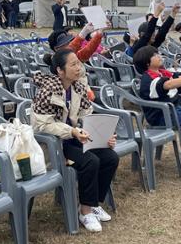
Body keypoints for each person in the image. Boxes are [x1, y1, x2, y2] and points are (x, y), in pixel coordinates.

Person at [31, 49, 119, 233]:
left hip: (75, 137)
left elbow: (88, 117)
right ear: (59, 70)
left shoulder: (78, 87)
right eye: (73, 64)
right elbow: (42, 125)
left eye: (78, 63)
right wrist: (71, 131)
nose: (78, 68)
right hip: (54, 144)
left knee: (110, 157)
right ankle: (84, 211)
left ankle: (93, 203)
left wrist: (103, 137)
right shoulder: (48, 90)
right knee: (90, 161)